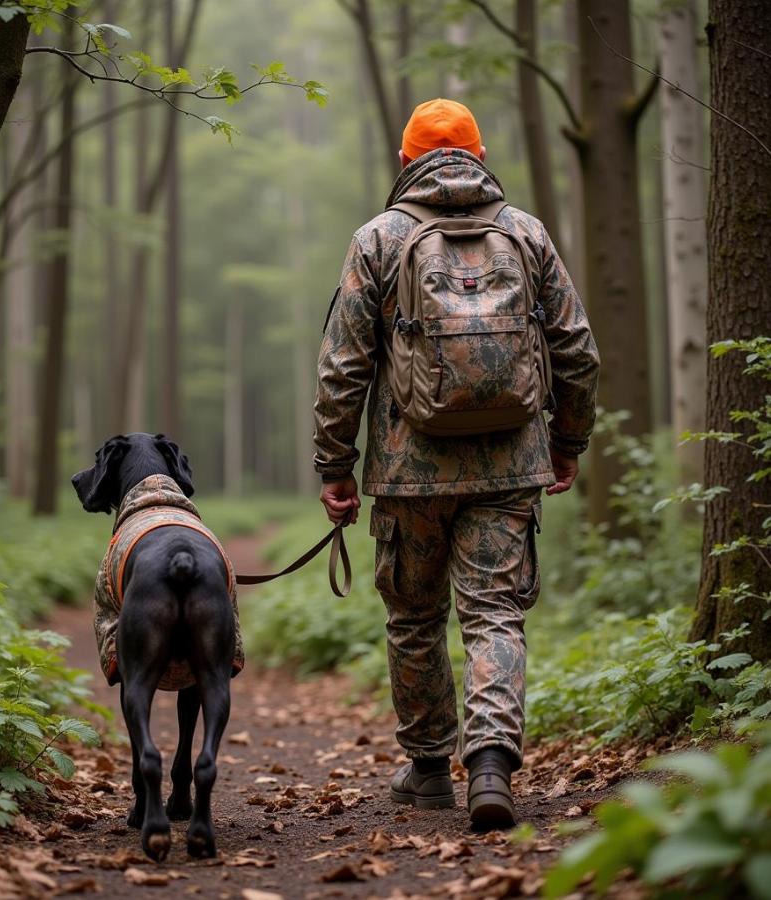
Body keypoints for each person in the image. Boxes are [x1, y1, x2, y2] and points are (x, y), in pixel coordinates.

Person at [312, 98, 599, 830]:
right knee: (494, 614)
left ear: (406, 162)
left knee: (413, 616)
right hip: (510, 464)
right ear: (477, 156)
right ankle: (494, 763)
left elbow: (343, 367)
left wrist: (335, 467)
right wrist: (566, 443)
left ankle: (431, 769)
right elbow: (576, 350)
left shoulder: (377, 239)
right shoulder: (526, 233)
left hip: (410, 473)